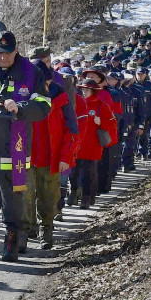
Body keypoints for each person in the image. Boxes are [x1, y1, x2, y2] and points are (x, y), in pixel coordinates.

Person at [0, 30, 52, 262]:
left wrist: (21, 108)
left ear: (16, 51)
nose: (2, 57)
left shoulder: (31, 72)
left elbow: (44, 105)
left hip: (13, 145)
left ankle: (12, 244)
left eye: (7, 53)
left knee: (13, 198)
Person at [23, 46, 75, 251]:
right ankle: (27, 231)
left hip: (50, 158)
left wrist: (65, 156)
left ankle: (47, 230)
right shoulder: (23, 96)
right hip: (25, 156)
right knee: (25, 197)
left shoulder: (61, 98)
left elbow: (72, 130)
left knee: (49, 198)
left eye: (44, 80)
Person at [72, 69, 117, 208]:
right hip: (77, 143)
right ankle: (73, 194)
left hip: (93, 144)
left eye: (87, 90)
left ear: (93, 91)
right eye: (83, 89)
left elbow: (112, 122)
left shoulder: (101, 105)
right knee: (74, 171)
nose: (84, 92)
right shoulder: (77, 103)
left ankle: (88, 197)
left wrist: (101, 122)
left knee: (89, 172)